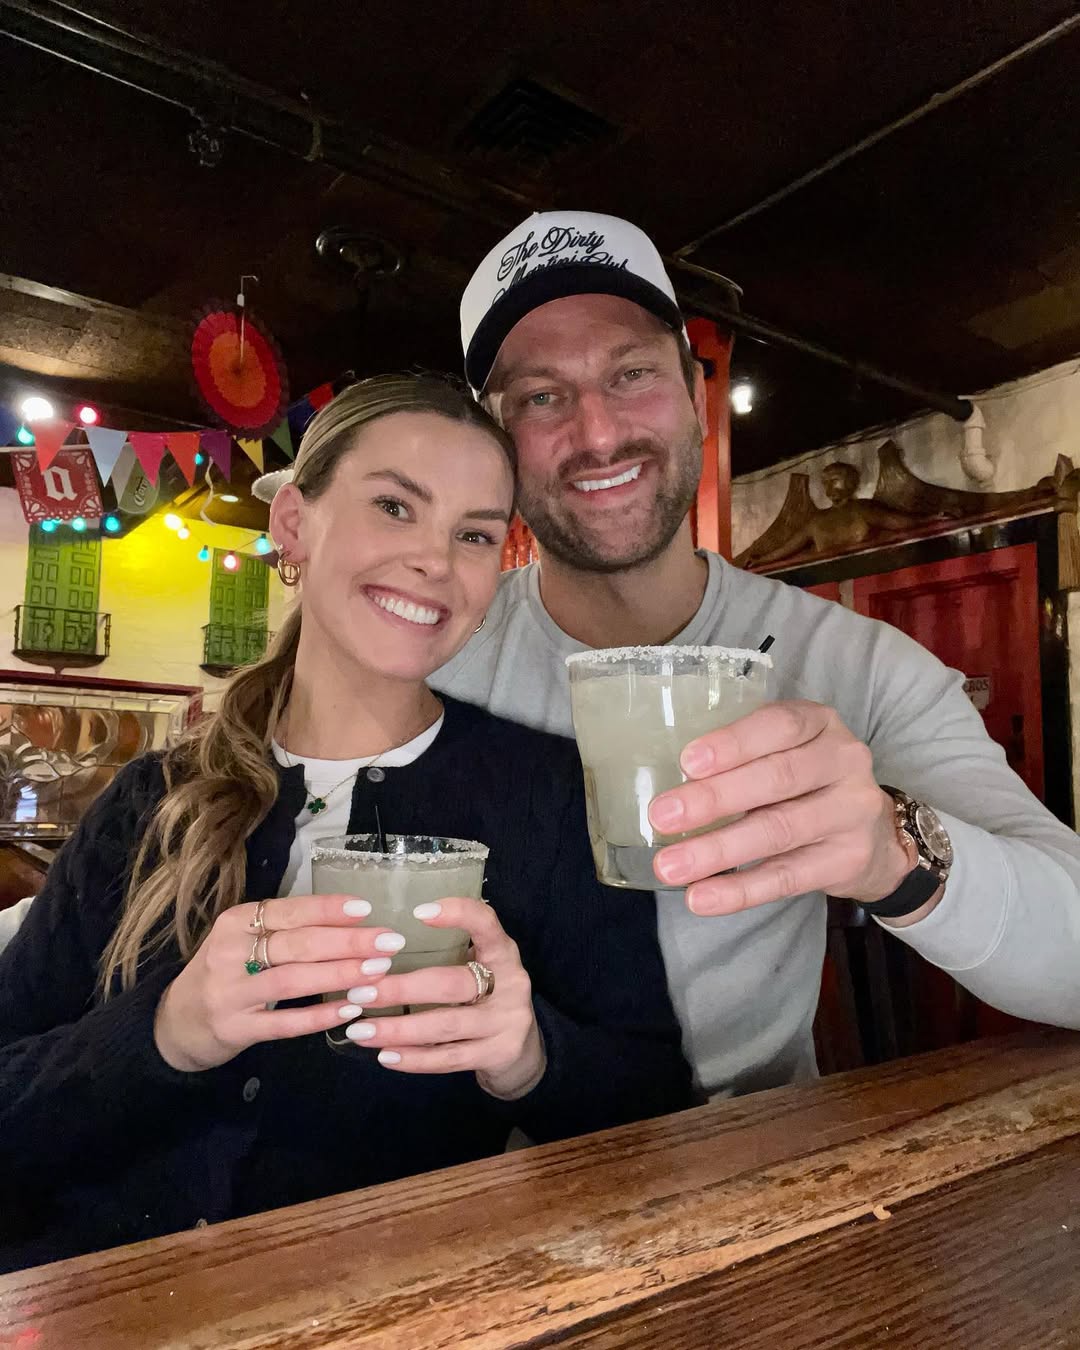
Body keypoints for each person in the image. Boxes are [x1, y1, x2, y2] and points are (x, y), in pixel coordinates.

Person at [0, 374, 692, 1273]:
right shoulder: (148, 802)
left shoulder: (550, 796)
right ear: (293, 524)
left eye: (475, 534)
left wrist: (529, 1056)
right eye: (395, 506)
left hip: (388, 1308)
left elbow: (655, 1115)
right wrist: (166, 1030)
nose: (436, 561)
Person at [429, 209, 1080, 1097]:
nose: (596, 433)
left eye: (632, 374)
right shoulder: (432, 657)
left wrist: (893, 850)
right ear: (493, 440)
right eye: (541, 396)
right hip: (469, 1181)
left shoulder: (854, 664)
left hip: (752, 1166)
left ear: (695, 395)